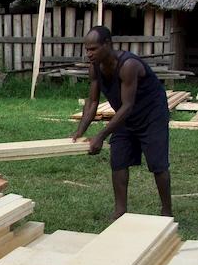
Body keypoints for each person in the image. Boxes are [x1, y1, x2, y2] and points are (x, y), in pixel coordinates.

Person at [72, 25, 173, 219]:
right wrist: (80, 131)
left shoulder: (128, 65)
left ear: (107, 44)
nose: (89, 54)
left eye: (93, 49)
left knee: (157, 164)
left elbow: (127, 105)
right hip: (125, 116)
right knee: (118, 160)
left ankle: (167, 211)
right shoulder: (94, 68)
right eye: (87, 49)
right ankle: (120, 212)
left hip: (151, 115)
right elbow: (93, 101)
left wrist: (101, 135)